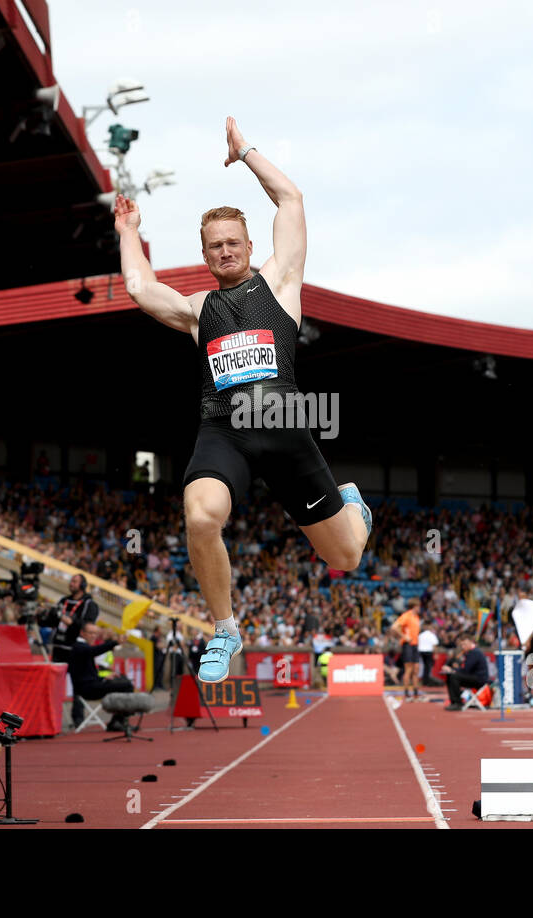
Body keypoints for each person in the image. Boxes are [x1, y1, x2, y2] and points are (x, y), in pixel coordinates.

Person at [115, 116, 372, 686]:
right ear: (204, 254)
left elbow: (291, 198)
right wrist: (129, 229)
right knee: (201, 515)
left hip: (283, 426)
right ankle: (225, 628)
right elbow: (138, 288)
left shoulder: (280, 282)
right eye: (215, 246)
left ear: (250, 246)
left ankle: (351, 505)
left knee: (346, 558)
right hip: (223, 430)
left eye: (233, 242)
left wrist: (245, 151)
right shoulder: (197, 310)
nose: (225, 251)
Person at [39, 575, 100, 727]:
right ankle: (51, 718)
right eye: (71, 581)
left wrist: (70, 621)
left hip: (76, 649)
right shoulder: (63, 601)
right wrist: (43, 615)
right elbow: (53, 621)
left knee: (78, 686)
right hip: (59, 647)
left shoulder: (89, 604)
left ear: (83, 585)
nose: (70, 584)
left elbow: (88, 626)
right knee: (53, 685)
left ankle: (77, 719)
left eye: (74, 581)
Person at [68, 623, 134, 732]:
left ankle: (118, 719)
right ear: (82, 633)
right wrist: (115, 642)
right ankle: (118, 721)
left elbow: (87, 673)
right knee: (126, 686)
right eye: (91, 633)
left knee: (122, 681)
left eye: (95, 633)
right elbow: (94, 651)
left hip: (93, 684)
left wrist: (103, 678)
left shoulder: (83, 647)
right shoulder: (78, 647)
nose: (93, 636)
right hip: (86, 689)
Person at [442, 637, 489, 711]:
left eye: (464, 644)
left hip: (479, 679)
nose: (463, 647)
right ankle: (454, 702)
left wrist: (453, 670)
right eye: (462, 645)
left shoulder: (475, 652)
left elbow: (466, 670)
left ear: (471, 643)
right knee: (450, 676)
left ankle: (458, 703)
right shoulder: (469, 652)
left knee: (454, 677)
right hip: (473, 676)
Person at [391, 599, 423, 700]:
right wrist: (404, 636)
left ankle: (416, 693)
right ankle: (406, 693)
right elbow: (395, 627)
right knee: (408, 669)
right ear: (415, 606)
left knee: (416, 669)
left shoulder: (416, 617)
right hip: (407, 645)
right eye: (419, 606)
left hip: (415, 645)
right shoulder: (407, 616)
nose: (420, 608)